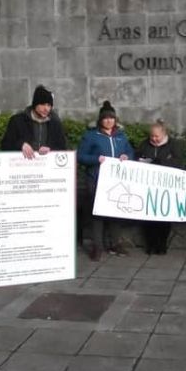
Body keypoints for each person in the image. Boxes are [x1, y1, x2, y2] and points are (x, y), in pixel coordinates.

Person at [78, 101, 134, 261]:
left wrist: (127, 156)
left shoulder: (121, 137)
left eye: (111, 118)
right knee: (98, 215)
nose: (109, 120)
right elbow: (80, 156)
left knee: (115, 213)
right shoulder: (91, 136)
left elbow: (130, 152)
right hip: (96, 180)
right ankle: (97, 247)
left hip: (116, 182)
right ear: (100, 120)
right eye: (105, 118)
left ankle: (115, 244)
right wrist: (96, 159)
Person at [136, 119, 183, 255]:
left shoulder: (173, 144)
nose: (154, 139)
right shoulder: (144, 144)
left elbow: (179, 162)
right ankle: (150, 244)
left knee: (164, 218)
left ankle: (162, 244)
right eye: (152, 136)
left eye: (157, 136)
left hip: (166, 187)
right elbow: (137, 158)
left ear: (163, 134)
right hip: (148, 187)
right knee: (148, 218)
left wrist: (161, 162)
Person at [1, 85, 67, 159]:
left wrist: (50, 150)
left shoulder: (55, 124)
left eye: (49, 105)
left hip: (46, 166)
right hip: (22, 165)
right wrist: (21, 145)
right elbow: (5, 145)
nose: (46, 108)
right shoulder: (17, 121)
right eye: (42, 104)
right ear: (35, 104)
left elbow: (63, 148)